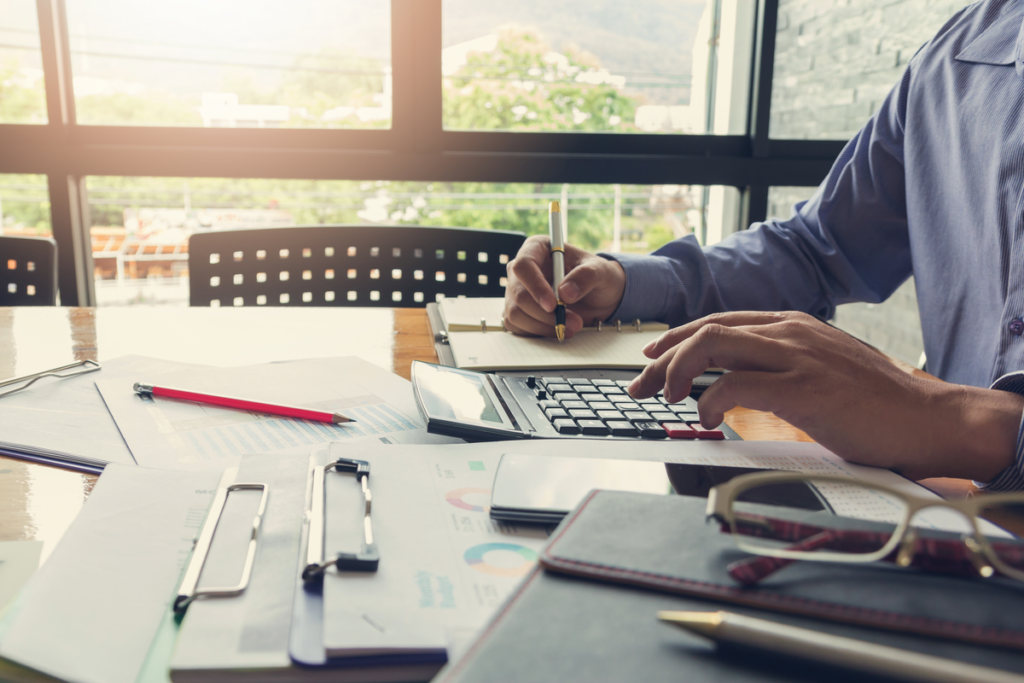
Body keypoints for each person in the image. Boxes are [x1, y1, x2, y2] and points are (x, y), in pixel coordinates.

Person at [502, 0, 1024, 490]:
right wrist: (624, 285)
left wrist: (950, 420)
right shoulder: (954, 58)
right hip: (950, 522)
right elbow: (814, 250)